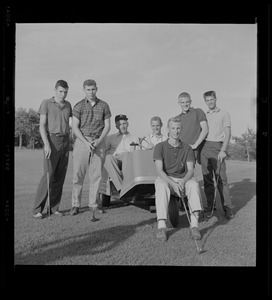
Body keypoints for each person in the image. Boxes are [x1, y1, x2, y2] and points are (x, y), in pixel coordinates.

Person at [153, 117, 203, 242]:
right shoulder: (160, 147)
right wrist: (172, 183)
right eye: (173, 128)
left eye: (178, 128)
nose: (176, 131)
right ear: (168, 129)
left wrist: (183, 181)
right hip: (167, 179)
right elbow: (159, 171)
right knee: (160, 185)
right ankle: (162, 227)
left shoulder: (187, 148)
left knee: (194, 185)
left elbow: (190, 170)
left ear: (181, 129)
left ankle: (195, 226)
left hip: (183, 179)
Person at [70, 79, 111, 216]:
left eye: (93, 89)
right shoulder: (79, 106)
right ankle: (75, 205)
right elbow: (75, 127)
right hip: (82, 141)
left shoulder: (104, 105)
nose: (91, 92)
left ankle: (93, 204)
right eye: (88, 89)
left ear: (96, 89)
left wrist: (99, 141)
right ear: (84, 90)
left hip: (99, 141)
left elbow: (107, 126)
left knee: (96, 175)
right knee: (78, 175)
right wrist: (86, 142)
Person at [33, 80, 72, 219]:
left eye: (65, 92)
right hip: (52, 140)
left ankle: (54, 208)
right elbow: (42, 125)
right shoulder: (46, 103)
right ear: (55, 90)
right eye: (61, 91)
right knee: (48, 175)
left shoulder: (68, 105)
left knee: (59, 176)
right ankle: (38, 209)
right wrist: (47, 144)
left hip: (65, 141)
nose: (63, 94)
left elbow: (70, 124)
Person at [200, 91, 234, 219]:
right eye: (207, 100)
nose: (210, 102)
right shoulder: (204, 115)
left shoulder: (224, 114)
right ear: (205, 101)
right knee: (207, 179)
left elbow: (228, 133)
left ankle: (228, 208)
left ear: (216, 99)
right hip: (205, 147)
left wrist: (223, 150)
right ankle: (210, 207)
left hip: (217, 147)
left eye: (212, 99)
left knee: (221, 179)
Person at [103, 114, 139, 192]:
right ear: (116, 126)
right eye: (119, 124)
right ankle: (121, 189)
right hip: (115, 159)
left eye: (124, 124)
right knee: (108, 157)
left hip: (129, 159)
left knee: (127, 155)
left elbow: (138, 153)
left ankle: (126, 186)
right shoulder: (110, 138)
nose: (122, 126)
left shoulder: (135, 138)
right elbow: (104, 149)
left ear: (127, 124)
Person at [175, 92, 208, 164]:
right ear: (179, 103)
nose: (185, 104)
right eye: (182, 102)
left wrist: (195, 145)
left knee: (189, 173)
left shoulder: (198, 112)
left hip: (192, 150)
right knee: (177, 173)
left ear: (191, 102)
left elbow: (205, 130)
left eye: (187, 102)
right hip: (179, 150)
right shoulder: (177, 118)